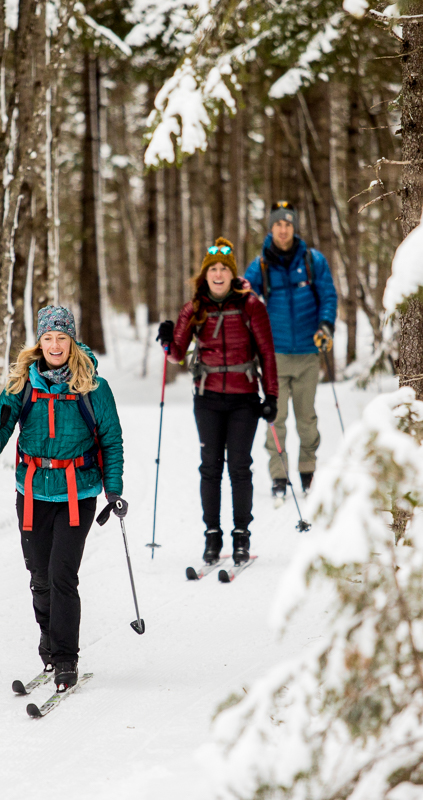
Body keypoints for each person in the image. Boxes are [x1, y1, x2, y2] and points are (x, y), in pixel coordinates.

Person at [0, 306, 125, 691]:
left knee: (62, 576)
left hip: (78, 493)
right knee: (39, 576)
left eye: (62, 337)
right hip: (31, 492)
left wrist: (114, 488)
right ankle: (48, 639)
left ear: (72, 340)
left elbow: (111, 439)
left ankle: (65, 659)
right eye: (48, 337)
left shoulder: (93, 386)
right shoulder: (23, 383)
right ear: (40, 341)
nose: (55, 345)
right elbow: (2, 420)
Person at [156, 237, 279, 567]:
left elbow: (267, 352)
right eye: (214, 269)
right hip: (207, 398)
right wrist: (167, 339)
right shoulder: (195, 308)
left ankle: (242, 536)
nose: (219, 274)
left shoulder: (251, 305)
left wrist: (273, 397)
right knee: (210, 467)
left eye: (225, 268)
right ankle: (213, 536)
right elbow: (177, 355)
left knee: (239, 467)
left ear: (232, 274)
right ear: (205, 274)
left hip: (244, 399)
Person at [243, 201, 338, 503]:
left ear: (294, 227)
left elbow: (328, 296)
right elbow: (244, 298)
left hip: (309, 353)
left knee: (307, 418)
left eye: (288, 224)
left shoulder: (313, 260)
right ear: (271, 228)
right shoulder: (259, 266)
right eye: (278, 224)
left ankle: (308, 471)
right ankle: (279, 476)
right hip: (275, 356)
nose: (283, 229)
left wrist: (325, 325)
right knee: (276, 418)